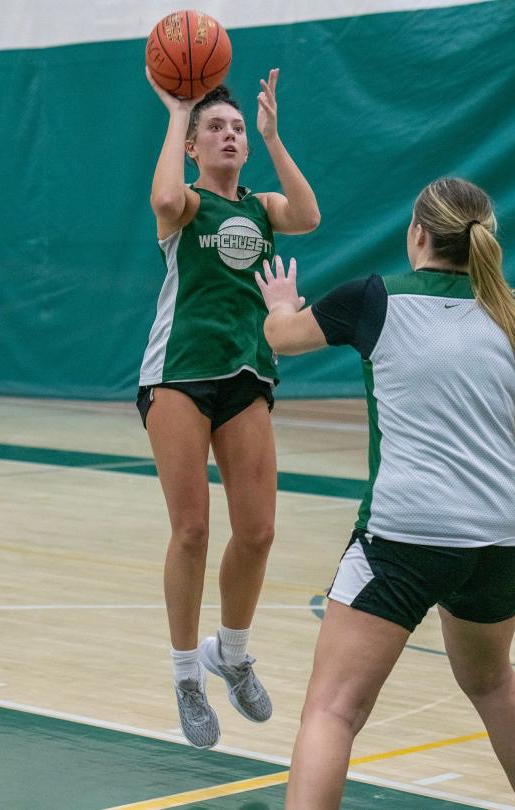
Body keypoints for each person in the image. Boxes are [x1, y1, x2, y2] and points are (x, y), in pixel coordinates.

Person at [254, 177, 515, 810]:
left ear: (417, 234)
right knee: (491, 683)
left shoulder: (374, 299)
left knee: (331, 711)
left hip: (402, 537)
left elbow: (280, 339)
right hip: (498, 539)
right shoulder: (514, 319)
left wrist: (279, 302)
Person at [138, 67, 320, 749]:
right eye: (215, 128)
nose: (228, 134)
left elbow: (309, 217)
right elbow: (159, 196)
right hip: (179, 375)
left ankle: (232, 654)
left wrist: (273, 137)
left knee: (259, 531)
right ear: (192, 145)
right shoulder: (185, 205)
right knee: (190, 530)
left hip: (246, 373)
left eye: (236, 127)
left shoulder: (263, 206)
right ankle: (187, 671)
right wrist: (177, 112)